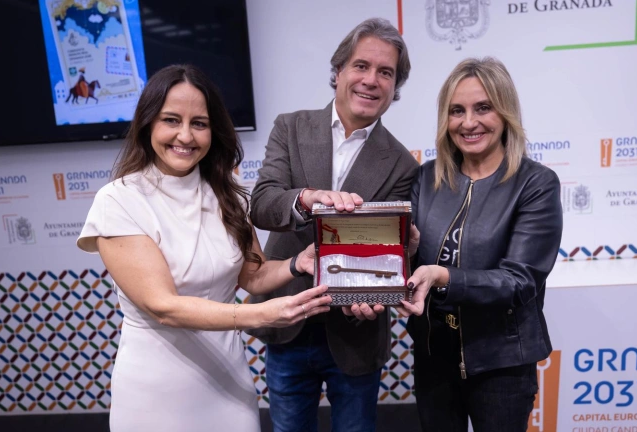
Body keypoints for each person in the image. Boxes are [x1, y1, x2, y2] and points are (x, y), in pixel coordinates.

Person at [76, 64, 332, 432]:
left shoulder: (228, 196)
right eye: (171, 120)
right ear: (148, 123)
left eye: (199, 123)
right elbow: (163, 306)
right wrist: (260, 315)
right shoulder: (118, 200)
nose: (185, 135)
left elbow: (254, 275)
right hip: (153, 395)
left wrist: (296, 263)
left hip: (229, 386)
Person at [249, 18, 418, 432]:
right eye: (361, 66)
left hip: (355, 333)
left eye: (385, 72)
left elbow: (386, 252)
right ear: (339, 70)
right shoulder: (290, 127)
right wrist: (306, 199)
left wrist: (390, 273)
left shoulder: (402, 163)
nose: (371, 80)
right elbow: (262, 205)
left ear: (395, 87)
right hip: (287, 318)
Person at [397, 57, 563, 432]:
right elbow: (409, 266)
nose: (468, 122)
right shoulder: (426, 178)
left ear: (505, 112)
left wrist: (442, 276)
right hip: (433, 355)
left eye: (483, 108)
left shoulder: (535, 183)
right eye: (457, 111)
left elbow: (519, 281)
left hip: (501, 362)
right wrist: (406, 254)